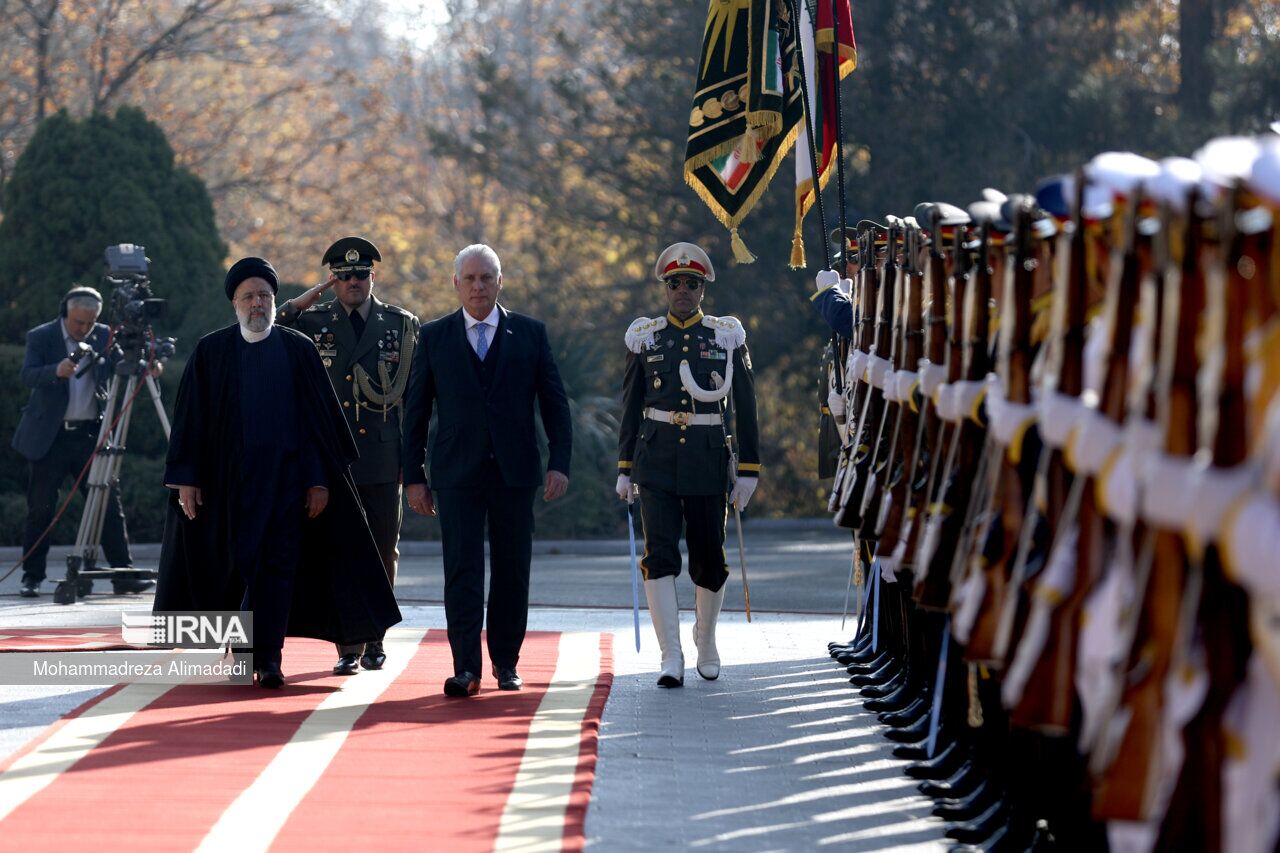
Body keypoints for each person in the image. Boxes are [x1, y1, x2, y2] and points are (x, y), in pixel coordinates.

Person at [155, 257, 400, 688]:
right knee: (235, 570)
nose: (257, 304)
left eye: (265, 296)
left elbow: (317, 427)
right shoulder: (211, 352)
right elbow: (190, 420)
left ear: (274, 301)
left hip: (285, 486)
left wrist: (319, 480)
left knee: (276, 570)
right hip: (226, 489)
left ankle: (267, 658)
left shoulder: (298, 350)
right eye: (248, 297)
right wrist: (186, 479)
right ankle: (240, 650)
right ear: (234, 303)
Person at [403, 244, 572, 698]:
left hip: (515, 472)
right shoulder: (434, 336)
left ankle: (506, 662)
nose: (479, 286)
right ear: (456, 284)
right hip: (456, 474)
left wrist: (559, 463)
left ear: (501, 282)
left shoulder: (531, 334)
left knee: (513, 570)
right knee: (461, 571)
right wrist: (413, 476)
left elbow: (555, 404)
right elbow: (414, 411)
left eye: (487, 278)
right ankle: (466, 669)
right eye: (471, 279)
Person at [615, 242, 761, 687]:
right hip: (655, 460)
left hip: (706, 459)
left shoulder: (724, 336)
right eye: (675, 283)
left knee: (709, 558)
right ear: (665, 288)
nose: (683, 290)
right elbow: (631, 403)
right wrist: (624, 467)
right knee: (658, 555)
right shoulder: (647, 337)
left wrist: (749, 471)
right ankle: (670, 654)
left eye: (691, 284)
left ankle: (707, 638)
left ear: (702, 290)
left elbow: (745, 406)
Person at [276, 236, 420, 675]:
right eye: (342, 276)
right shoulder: (313, 321)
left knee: (381, 549)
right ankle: (346, 644)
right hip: (334, 458)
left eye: (360, 274)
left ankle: (375, 636)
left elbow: (415, 403)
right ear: (331, 281)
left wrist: (411, 466)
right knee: (337, 550)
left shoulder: (399, 324)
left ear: (373, 276)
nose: (353, 281)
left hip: (380, 456)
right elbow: (274, 332)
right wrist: (299, 303)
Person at [12, 286, 151, 597]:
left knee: (107, 504)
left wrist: (147, 366)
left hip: (90, 434)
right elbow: (27, 375)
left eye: (90, 323)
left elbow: (121, 365)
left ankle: (123, 573)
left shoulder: (104, 334)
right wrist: (55, 370)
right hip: (51, 437)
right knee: (40, 509)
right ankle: (31, 577)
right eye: (78, 323)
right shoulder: (42, 336)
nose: (84, 329)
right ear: (65, 314)